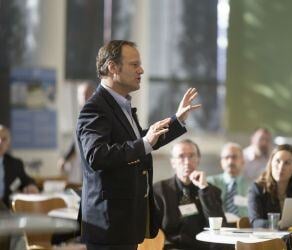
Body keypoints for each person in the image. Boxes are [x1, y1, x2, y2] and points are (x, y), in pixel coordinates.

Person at [76, 40, 201, 250]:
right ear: (112, 68)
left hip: (125, 223)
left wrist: (177, 121)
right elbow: (96, 155)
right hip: (108, 226)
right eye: (134, 65)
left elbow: (141, 141)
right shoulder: (95, 108)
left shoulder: (120, 103)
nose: (141, 70)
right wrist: (144, 143)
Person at [153, 139, 228, 250]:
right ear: (173, 162)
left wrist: (204, 190)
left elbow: (219, 225)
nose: (187, 161)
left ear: (198, 159)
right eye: (181, 156)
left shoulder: (211, 191)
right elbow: (153, 231)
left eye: (191, 156)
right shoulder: (159, 190)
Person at [248, 144, 292, 228]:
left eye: (287, 163)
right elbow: (255, 222)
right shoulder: (257, 189)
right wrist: (279, 224)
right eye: (277, 161)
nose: (281, 167)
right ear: (270, 164)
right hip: (267, 239)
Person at [57, 82, 95, 185]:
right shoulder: (81, 114)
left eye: (86, 94)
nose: (83, 98)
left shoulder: (96, 114)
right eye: (81, 95)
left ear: (92, 94)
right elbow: (76, 140)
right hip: (82, 170)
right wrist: (65, 158)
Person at [207, 142, 250, 219]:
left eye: (234, 157)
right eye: (226, 157)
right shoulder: (210, 183)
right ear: (221, 162)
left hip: (246, 228)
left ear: (243, 161)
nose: (230, 161)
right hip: (219, 227)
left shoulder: (252, 186)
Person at [0, 124, 39, 208]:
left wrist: (31, 186)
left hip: (7, 213)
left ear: (8, 143)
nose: (0, 142)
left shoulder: (15, 164)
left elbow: (26, 181)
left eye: (4, 139)